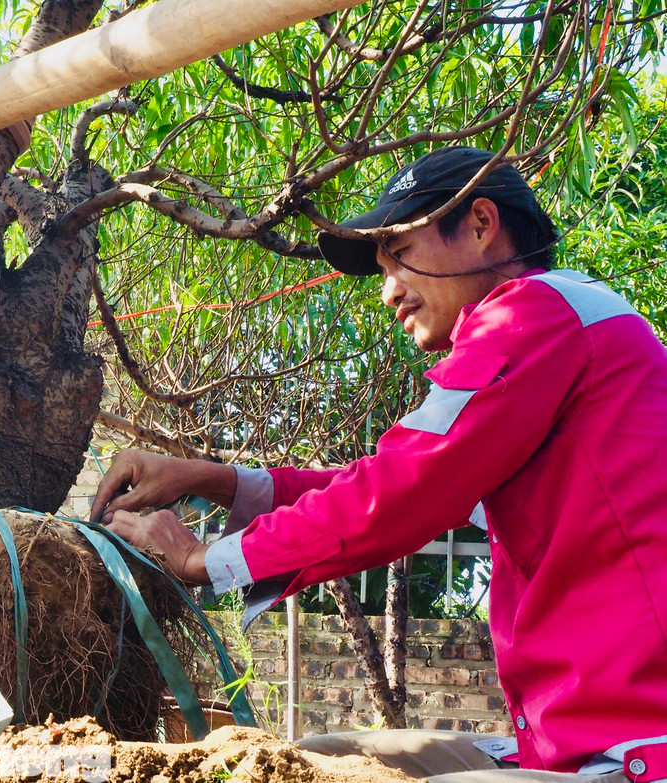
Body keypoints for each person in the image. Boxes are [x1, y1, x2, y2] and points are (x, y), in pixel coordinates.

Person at [89, 147, 667, 783]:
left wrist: (202, 561)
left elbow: (404, 487)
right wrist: (216, 479)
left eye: (401, 253)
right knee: (310, 758)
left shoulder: (534, 311)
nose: (390, 289)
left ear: (479, 225)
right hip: (568, 750)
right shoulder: (562, 337)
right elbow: (390, 476)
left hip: (635, 749)